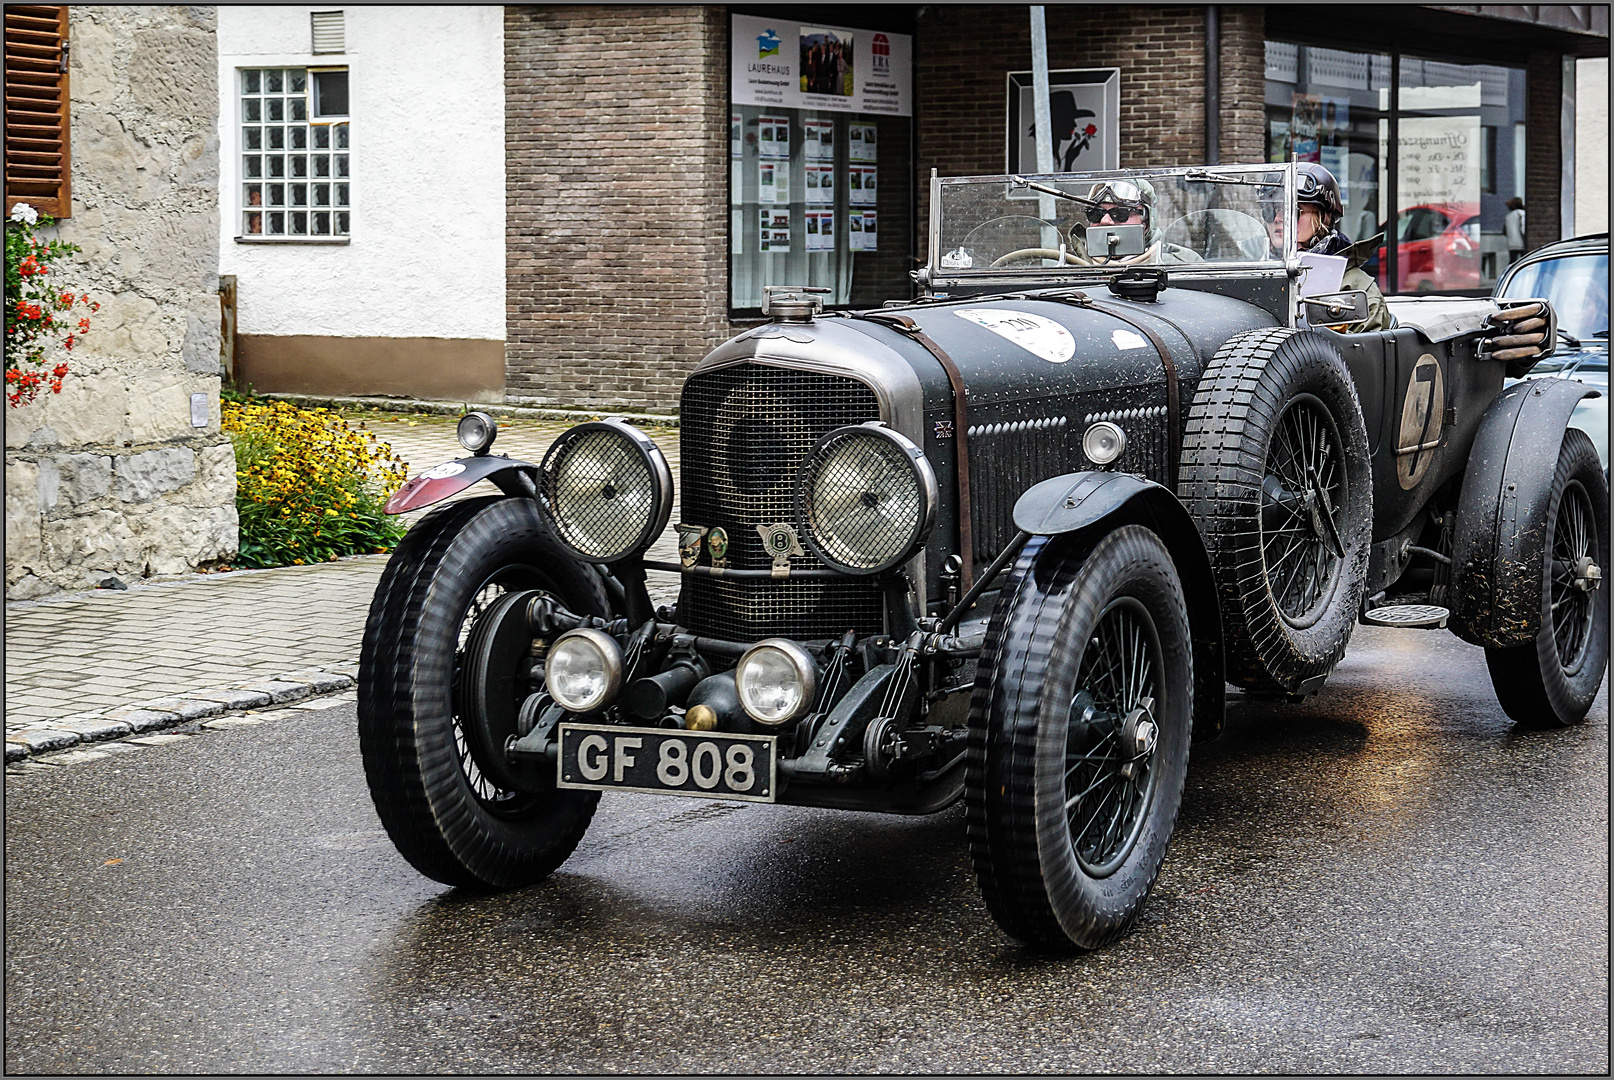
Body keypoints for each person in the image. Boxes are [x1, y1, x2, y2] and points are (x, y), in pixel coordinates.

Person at [1265, 162, 1391, 331]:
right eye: (1270, 210)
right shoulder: (1248, 272)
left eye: (1293, 211)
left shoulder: (1357, 289)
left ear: (1323, 218)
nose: (1278, 218)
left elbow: (1361, 354)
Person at [1069, 178, 1202, 265]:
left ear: (1146, 221)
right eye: (1096, 214)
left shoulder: (1182, 263)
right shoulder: (1066, 266)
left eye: (1120, 214)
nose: (1105, 221)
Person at [1504, 197, 1526, 265]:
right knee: (1524, 261)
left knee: (1512, 261)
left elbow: (1504, 231)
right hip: (1522, 242)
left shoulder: (1508, 216)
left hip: (1511, 243)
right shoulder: (1521, 213)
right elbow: (1523, 228)